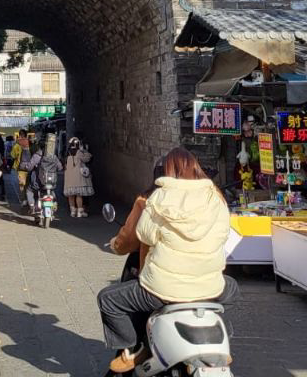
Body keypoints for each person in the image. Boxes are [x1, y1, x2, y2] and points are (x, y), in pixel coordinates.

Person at [96, 148, 235, 374]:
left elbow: (144, 235)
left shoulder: (157, 197)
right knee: (233, 289)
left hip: (163, 290)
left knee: (108, 299)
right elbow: (224, 234)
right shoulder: (216, 197)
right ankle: (220, 334)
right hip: (209, 288)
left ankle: (133, 350)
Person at [109, 156, 166, 282]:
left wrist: (116, 243)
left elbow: (129, 238)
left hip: (156, 279)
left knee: (107, 294)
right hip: (202, 281)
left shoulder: (145, 201)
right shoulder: (199, 202)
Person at [64, 136, 93, 217]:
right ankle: (80, 211)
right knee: (78, 195)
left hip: (69, 178)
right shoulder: (79, 153)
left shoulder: (67, 153)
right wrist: (84, 150)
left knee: (71, 195)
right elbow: (88, 158)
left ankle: (73, 211)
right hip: (78, 178)